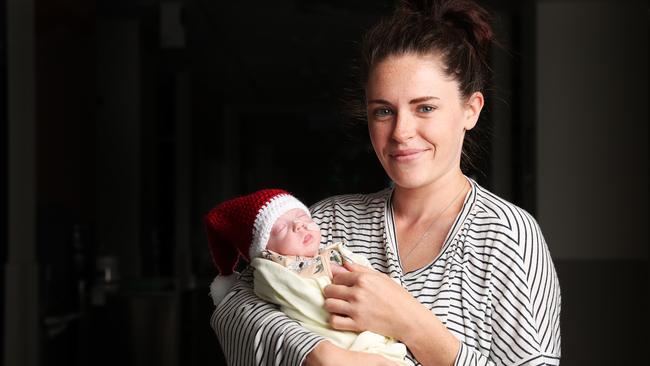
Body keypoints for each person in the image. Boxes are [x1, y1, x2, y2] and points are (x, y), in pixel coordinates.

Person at [209, 0, 562, 365]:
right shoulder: (327, 221)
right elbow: (234, 308)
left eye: (425, 107)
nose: (401, 132)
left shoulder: (509, 237)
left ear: (470, 110)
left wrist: (413, 325)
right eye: (384, 111)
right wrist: (320, 356)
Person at [204, 189, 408, 365]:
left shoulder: (334, 252)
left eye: (304, 218)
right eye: (282, 228)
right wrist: (322, 355)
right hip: (345, 344)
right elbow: (238, 312)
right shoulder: (274, 270)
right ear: (266, 252)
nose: (299, 226)